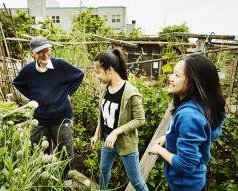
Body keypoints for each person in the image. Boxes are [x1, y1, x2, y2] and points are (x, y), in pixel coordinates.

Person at [148, 54, 226, 191]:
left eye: (177, 75)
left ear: (194, 82)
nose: (170, 78)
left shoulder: (188, 115)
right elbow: (203, 134)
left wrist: (160, 150)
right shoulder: (202, 106)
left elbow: (185, 166)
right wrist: (167, 137)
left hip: (184, 186)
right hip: (194, 183)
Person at [12, 36, 84, 168]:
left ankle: (66, 178)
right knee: (37, 150)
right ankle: (42, 175)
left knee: (65, 150)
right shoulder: (28, 70)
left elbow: (79, 75)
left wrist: (69, 93)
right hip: (40, 118)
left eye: (47, 50)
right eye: (40, 52)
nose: (45, 54)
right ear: (33, 54)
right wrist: (33, 96)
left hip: (62, 118)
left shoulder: (60, 65)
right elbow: (17, 83)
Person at [90, 48, 149, 191]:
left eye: (98, 72)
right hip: (107, 140)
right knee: (104, 171)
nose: (96, 76)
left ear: (109, 69)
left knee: (136, 181)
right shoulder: (105, 88)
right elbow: (103, 115)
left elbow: (140, 119)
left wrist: (116, 132)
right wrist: (97, 133)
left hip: (125, 142)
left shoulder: (131, 92)